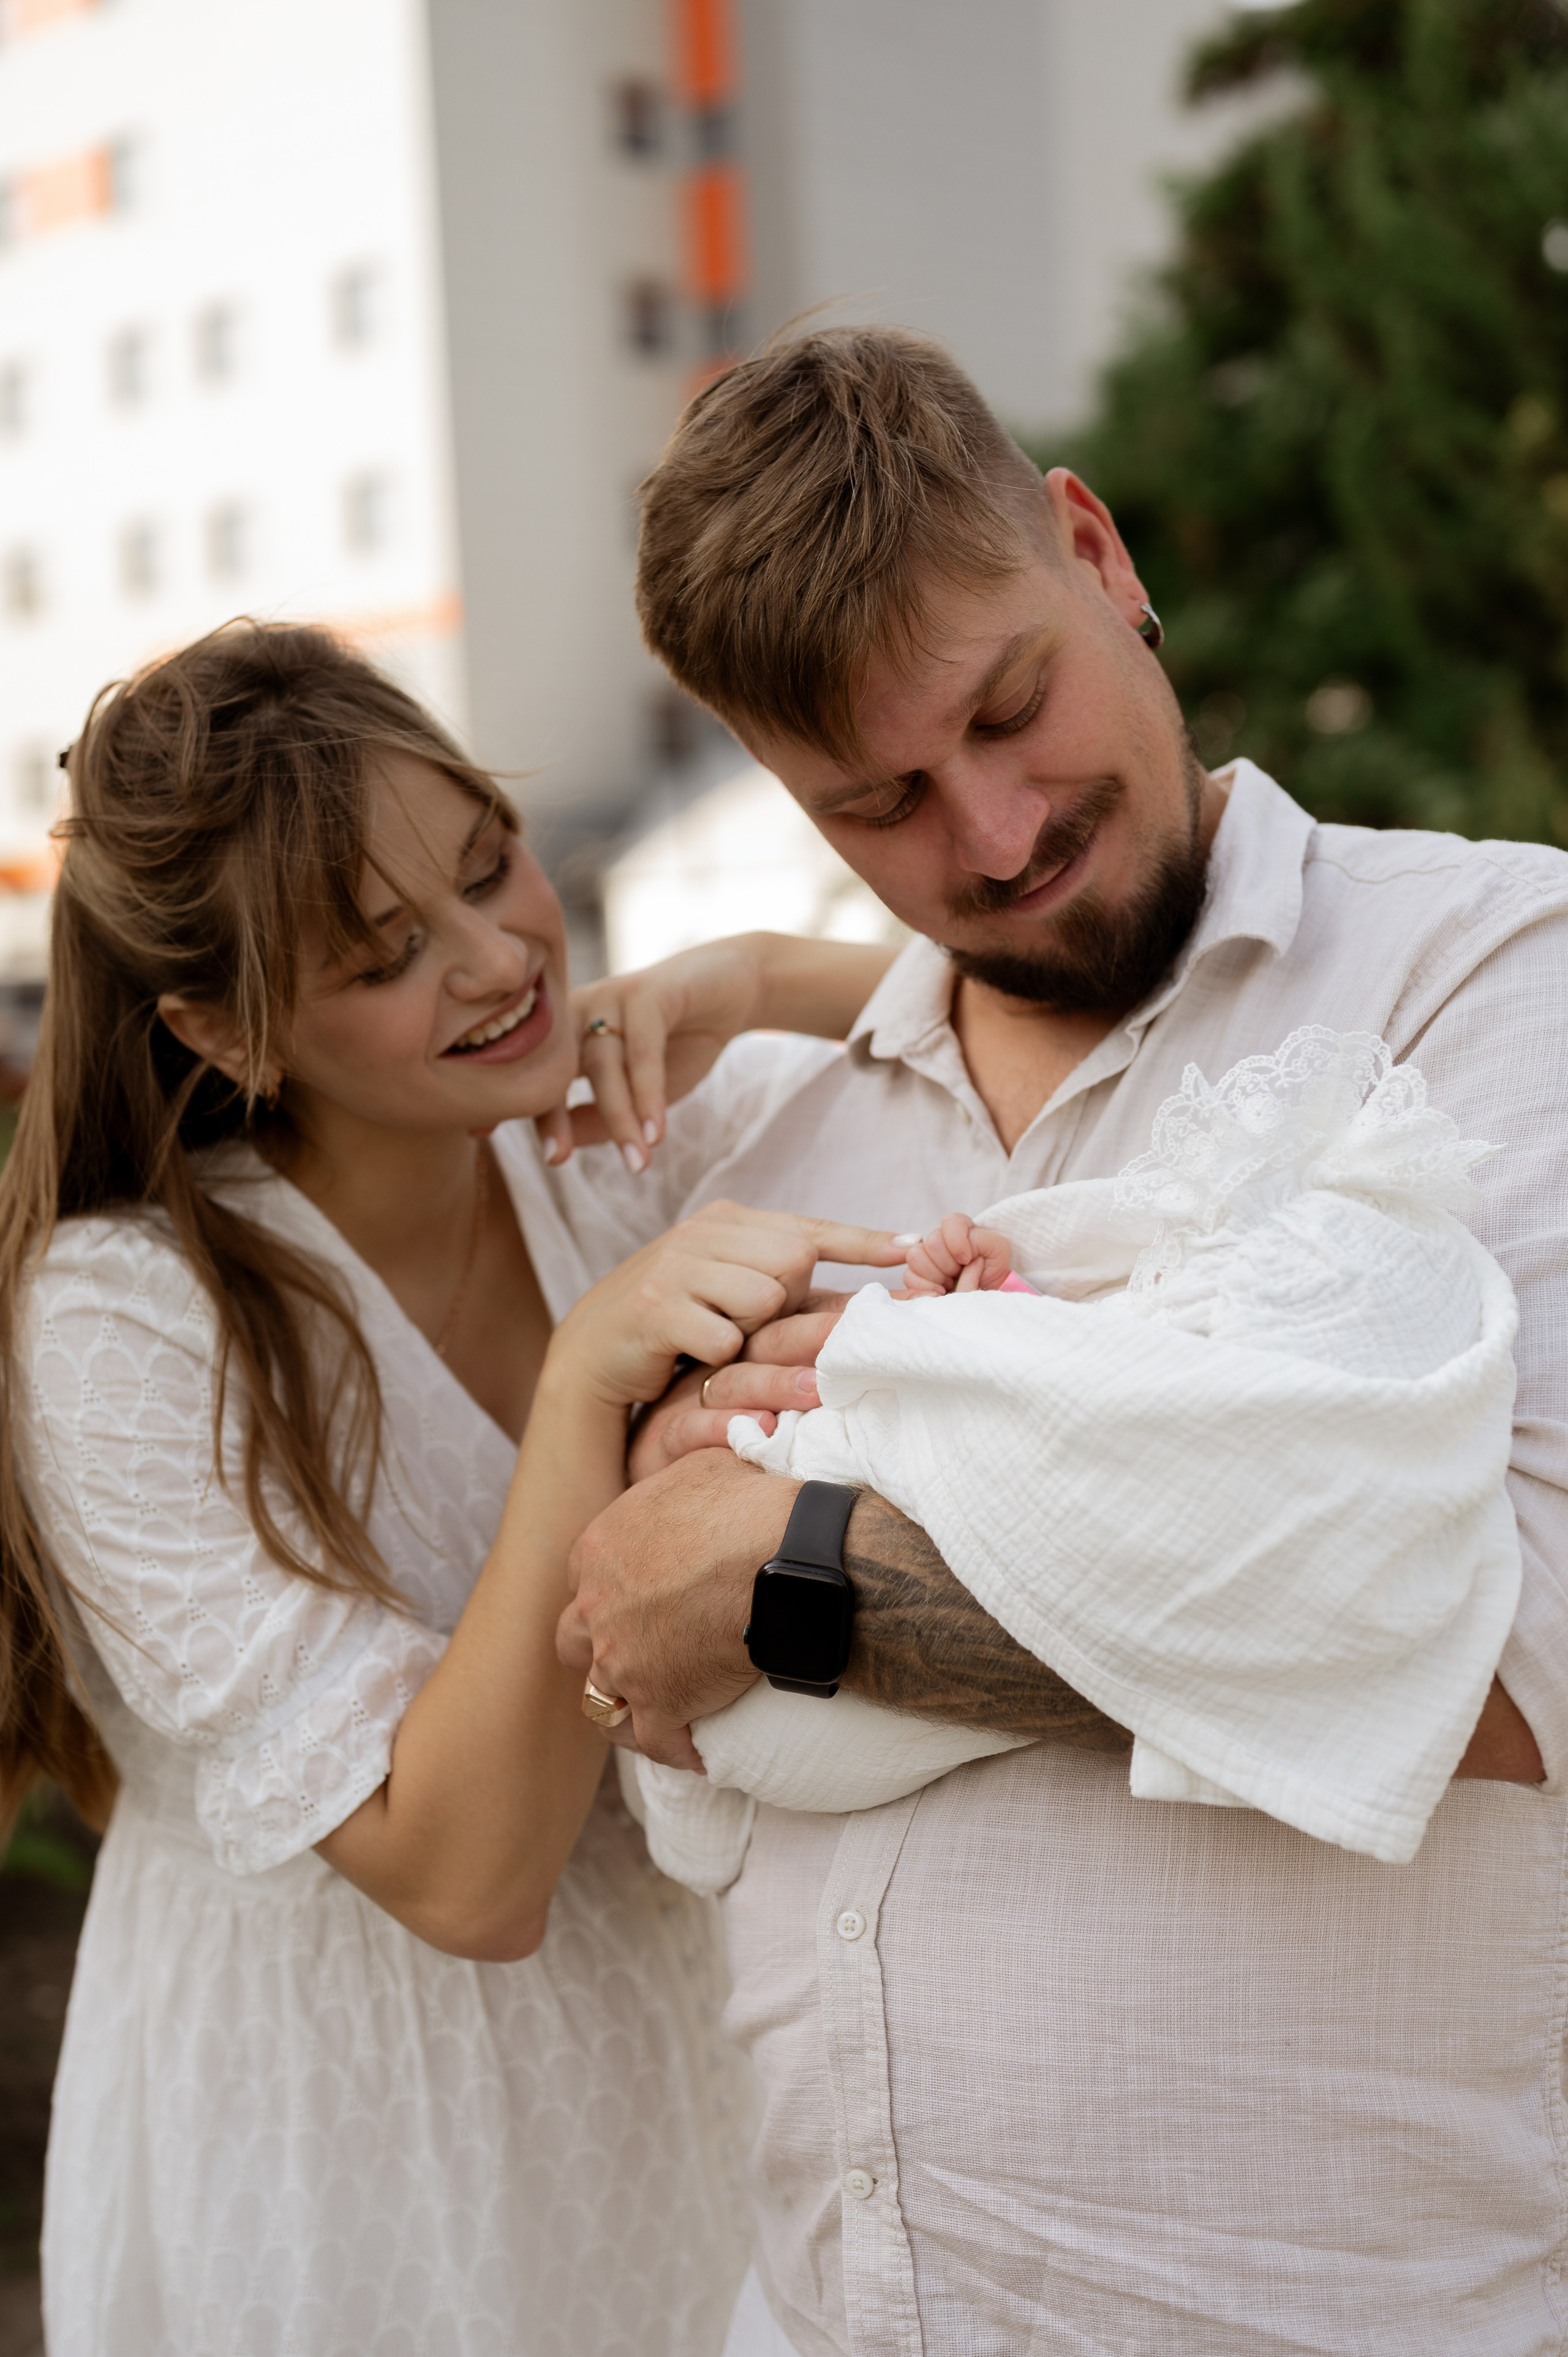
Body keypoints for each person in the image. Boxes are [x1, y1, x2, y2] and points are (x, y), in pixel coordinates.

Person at [554, 327, 1568, 2356]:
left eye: (1012, 708)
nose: (997, 832)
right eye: (881, 803)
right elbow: (646, 1698)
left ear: (1094, 550)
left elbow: (1516, 1649)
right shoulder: (765, 1143)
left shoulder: (1489, 976)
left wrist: (796, 1583)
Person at [0, 620, 900, 2357]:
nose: (502, 962)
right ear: (225, 1029)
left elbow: (1056, 1078)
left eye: (495, 864)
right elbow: (468, 1875)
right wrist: (586, 1390)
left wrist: (763, 978)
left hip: (684, 2082)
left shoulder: (617, 1149)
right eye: (389, 953)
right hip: (344, 2154)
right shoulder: (120, 1324)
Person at [622, 1022, 1522, 1898]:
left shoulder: (1242, 1454)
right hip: (827, 1489)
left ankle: (692, 1778)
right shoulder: (1146, 1329)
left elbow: (1081, 1450)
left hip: (821, 1665)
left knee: (745, 1738)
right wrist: (987, 1302)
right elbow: (1052, 1366)